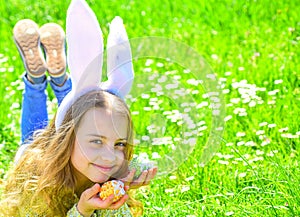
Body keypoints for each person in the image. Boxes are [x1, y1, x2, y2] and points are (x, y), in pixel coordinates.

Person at [0, 0, 157, 216]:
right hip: (36, 156)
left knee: (84, 102)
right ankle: (36, 81)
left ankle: (60, 81)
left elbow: (143, 163)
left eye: (119, 143)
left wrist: (133, 173)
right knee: (31, 134)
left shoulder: (107, 171)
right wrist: (82, 211)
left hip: (71, 129)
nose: (110, 156)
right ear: (67, 138)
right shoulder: (36, 187)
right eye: (96, 141)